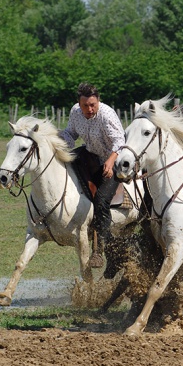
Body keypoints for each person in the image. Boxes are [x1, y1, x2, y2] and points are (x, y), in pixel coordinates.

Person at [59, 82, 125, 268]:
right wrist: (55, 137)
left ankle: (99, 251)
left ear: (98, 101)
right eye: (85, 105)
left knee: (102, 201)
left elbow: (120, 140)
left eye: (92, 105)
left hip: (114, 159)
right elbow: (70, 135)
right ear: (78, 104)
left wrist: (111, 161)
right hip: (91, 156)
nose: (89, 109)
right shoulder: (75, 112)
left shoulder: (106, 114)